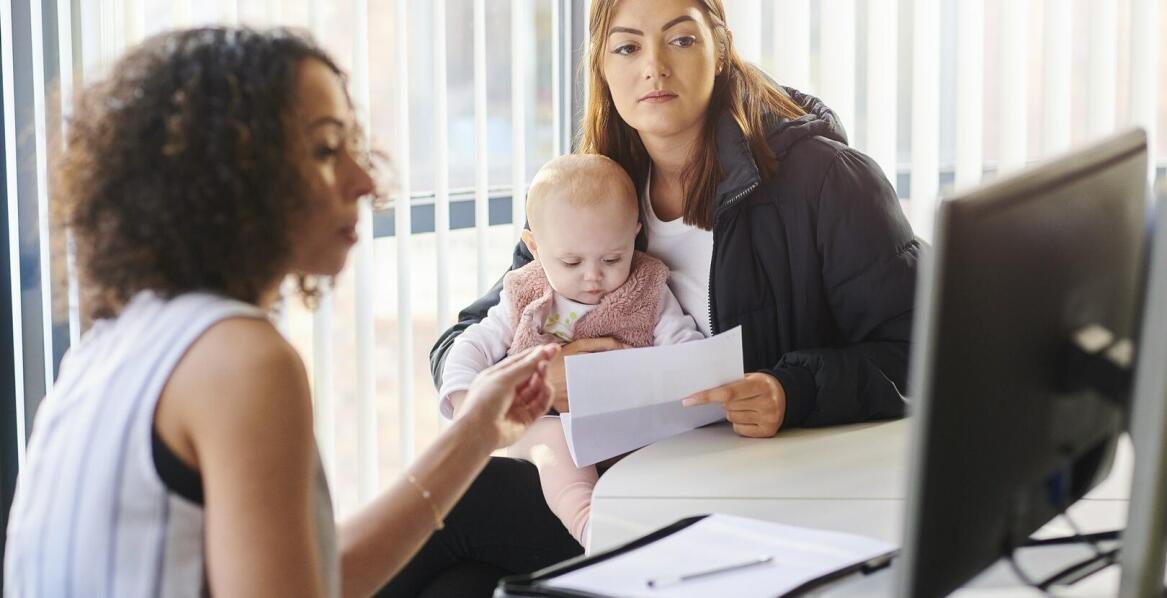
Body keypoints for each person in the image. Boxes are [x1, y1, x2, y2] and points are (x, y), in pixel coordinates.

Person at [3, 27, 562, 598]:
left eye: (353, 146)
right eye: (325, 150)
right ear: (230, 178)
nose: (365, 180)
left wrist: (476, 433)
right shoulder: (242, 361)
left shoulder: (116, 343)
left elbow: (304, 576)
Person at [411, 0, 920, 593]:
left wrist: (793, 389)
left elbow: (923, 351)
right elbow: (473, 333)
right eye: (627, 47)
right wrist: (536, 378)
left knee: (460, 511)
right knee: (461, 581)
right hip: (618, 486)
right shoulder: (598, 188)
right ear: (602, 66)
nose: (653, 67)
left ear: (720, 46)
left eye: (679, 40)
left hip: (749, 500)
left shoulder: (825, 181)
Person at [439, 154, 704, 547]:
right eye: (571, 261)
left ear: (634, 234)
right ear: (535, 246)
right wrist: (466, 403)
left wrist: (696, 380)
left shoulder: (648, 288)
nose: (593, 276)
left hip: (628, 429)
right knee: (554, 444)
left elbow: (682, 346)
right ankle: (589, 524)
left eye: (613, 258)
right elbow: (471, 344)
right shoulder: (525, 292)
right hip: (545, 425)